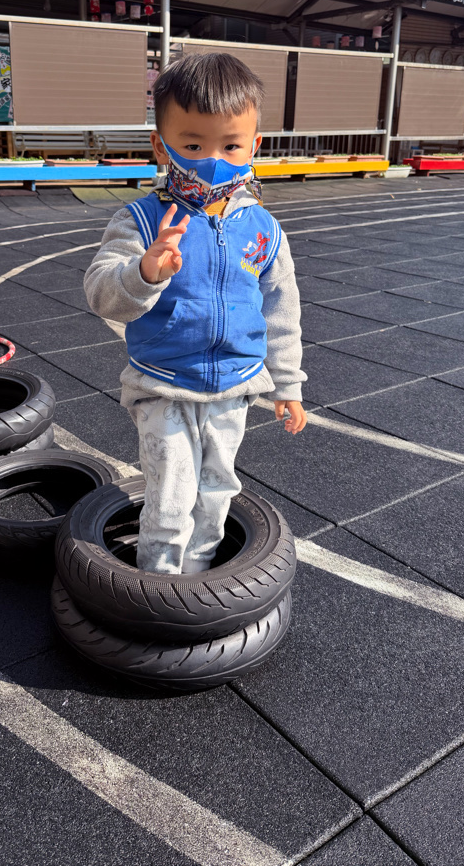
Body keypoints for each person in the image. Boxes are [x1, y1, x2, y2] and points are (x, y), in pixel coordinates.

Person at [84, 53, 307, 575]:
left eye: (230, 146)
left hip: (235, 385)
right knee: (170, 497)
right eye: (192, 146)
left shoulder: (263, 229)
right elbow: (101, 293)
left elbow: (281, 309)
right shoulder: (142, 220)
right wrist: (145, 271)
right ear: (161, 145)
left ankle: (201, 582)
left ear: (254, 145)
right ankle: (158, 585)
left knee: (216, 491)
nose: (212, 160)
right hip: (164, 384)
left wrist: (287, 384)